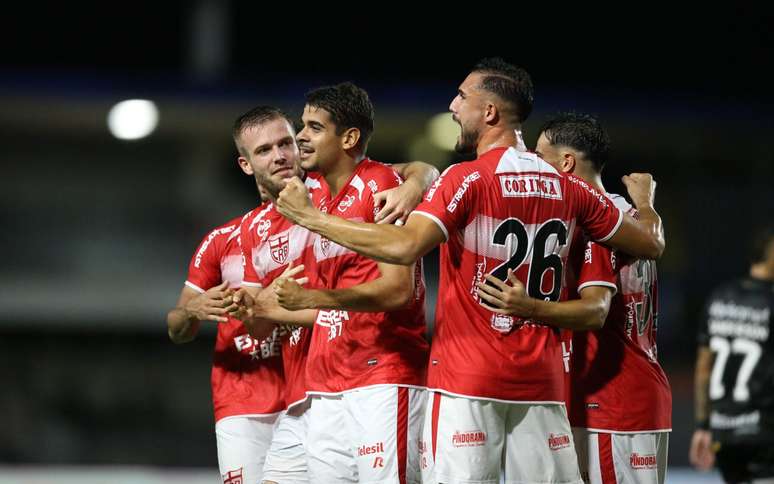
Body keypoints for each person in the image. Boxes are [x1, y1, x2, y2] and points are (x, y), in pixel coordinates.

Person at [275, 58, 665, 483]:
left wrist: (313, 218)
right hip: (543, 384)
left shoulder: (468, 178)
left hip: (467, 381)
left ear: (490, 112)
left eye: (462, 97)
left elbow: (405, 247)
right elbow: (650, 244)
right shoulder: (567, 186)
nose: (453, 106)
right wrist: (644, 204)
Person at [228, 100, 437, 483]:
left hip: (378, 373)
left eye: (289, 141)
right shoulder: (264, 223)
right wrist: (254, 306)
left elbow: (411, 172)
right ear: (247, 164)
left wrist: (416, 182)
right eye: (265, 150)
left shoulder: (332, 187)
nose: (285, 153)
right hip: (319, 385)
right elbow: (272, 318)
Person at [477, 112, 672, 483]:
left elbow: (596, 310)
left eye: (538, 154)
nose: (531, 163)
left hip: (610, 401)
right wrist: (646, 203)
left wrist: (526, 306)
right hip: (634, 394)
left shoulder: (595, 224)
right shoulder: (629, 216)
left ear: (566, 163)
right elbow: (655, 240)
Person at [166, 209, 284, 484]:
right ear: (246, 165)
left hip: (304, 394)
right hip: (240, 400)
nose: (279, 161)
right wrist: (191, 311)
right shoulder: (221, 239)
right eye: (263, 159)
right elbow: (176, 328)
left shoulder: (314, 226)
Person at [690, 227, 774, 483]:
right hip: (764, 432)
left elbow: (704, 368)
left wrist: (703, 426)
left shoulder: (719, 298)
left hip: (723, 433)